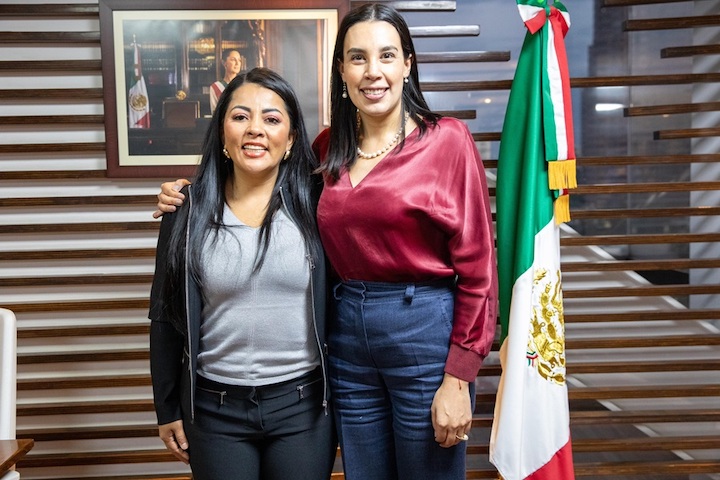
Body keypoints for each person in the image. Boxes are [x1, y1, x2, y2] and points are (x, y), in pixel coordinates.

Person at [154, 4, 497, 479]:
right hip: (347, 338)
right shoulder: (327, 148)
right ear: (342, 70)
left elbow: (480, 269)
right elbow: (256, 177)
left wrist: (459, 375)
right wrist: (185, 195)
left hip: (421, 329)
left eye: (386, 56)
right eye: (358, 57)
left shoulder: (448, 141)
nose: (372, 71)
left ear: (407, 64)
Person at [149, 67, 336, 480]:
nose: (255, 129)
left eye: (271, 118)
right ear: (222, 133)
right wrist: (167, 407)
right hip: (214, 411)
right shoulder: (186, 209)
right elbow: (163, 316)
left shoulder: (319, 204)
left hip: (303, 407)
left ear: (291, 139)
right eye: (240, 116)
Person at [209, 49, 242, 113]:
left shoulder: (244, 85)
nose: (237, 63)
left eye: (239, 60)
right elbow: (215, 113)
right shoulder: (215, 87)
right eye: (233, 60)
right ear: (224, 63)